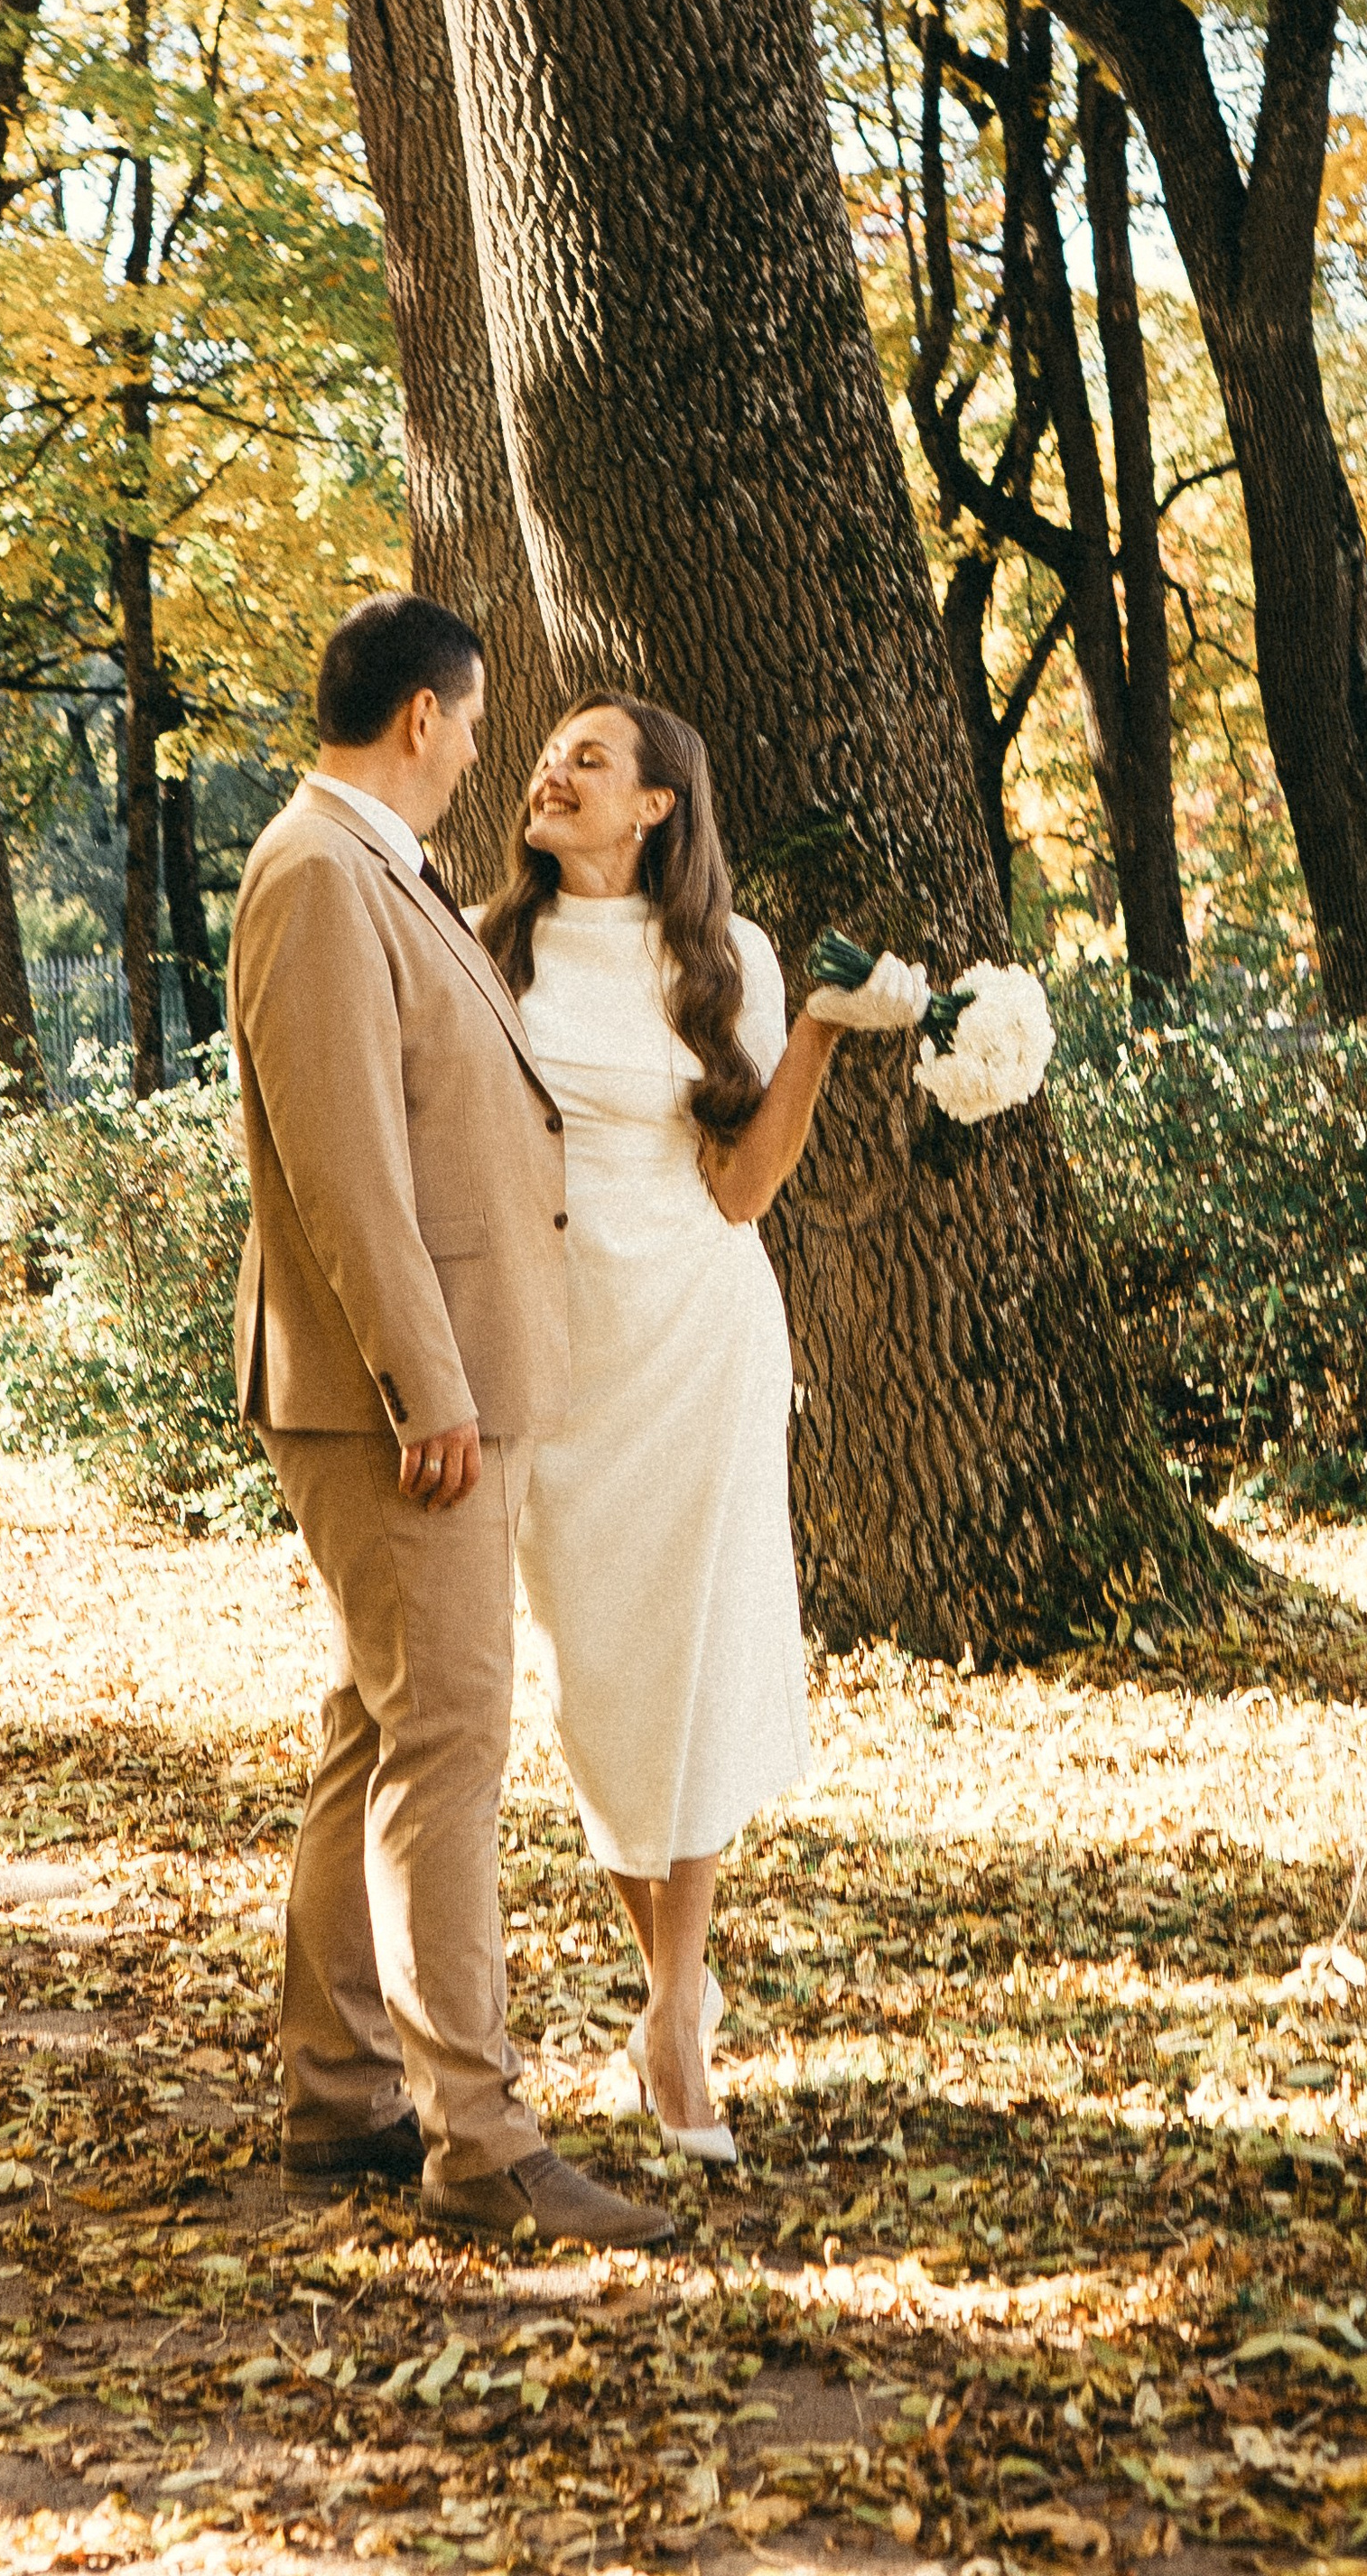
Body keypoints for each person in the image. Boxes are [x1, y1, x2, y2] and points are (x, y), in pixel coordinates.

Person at [226, 595, 674, 2251]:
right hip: (399, 1404)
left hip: (421, 1389)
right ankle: (478, 2141)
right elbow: (345, 1164)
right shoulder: (319, 876)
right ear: (423, 716)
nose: (485, 749)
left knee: (379, 1731)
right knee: (450, 1751)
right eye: (478, 720)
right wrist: (430, 1386)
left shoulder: (363, 871)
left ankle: (338, 2091)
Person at [474, 694, 925, 2160]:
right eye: (551, 752)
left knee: (693, 1661)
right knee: (599, 1675)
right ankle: (673, 1989)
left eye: (589, 759)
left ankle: (674, 2012)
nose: (553, 768)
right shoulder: (491, 947)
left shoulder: (725, 962)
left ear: (659, 804)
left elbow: (742, 1189)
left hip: (698, 1334)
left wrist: (815, 1038)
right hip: (560, 1350)